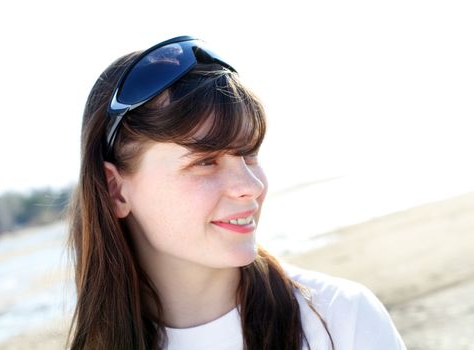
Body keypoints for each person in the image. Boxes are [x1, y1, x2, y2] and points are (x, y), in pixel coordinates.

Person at [67, 35, 406, 350]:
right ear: (116, 192)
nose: (251, 187)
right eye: (205, 162)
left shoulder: (340, 321)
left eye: (249, 154)